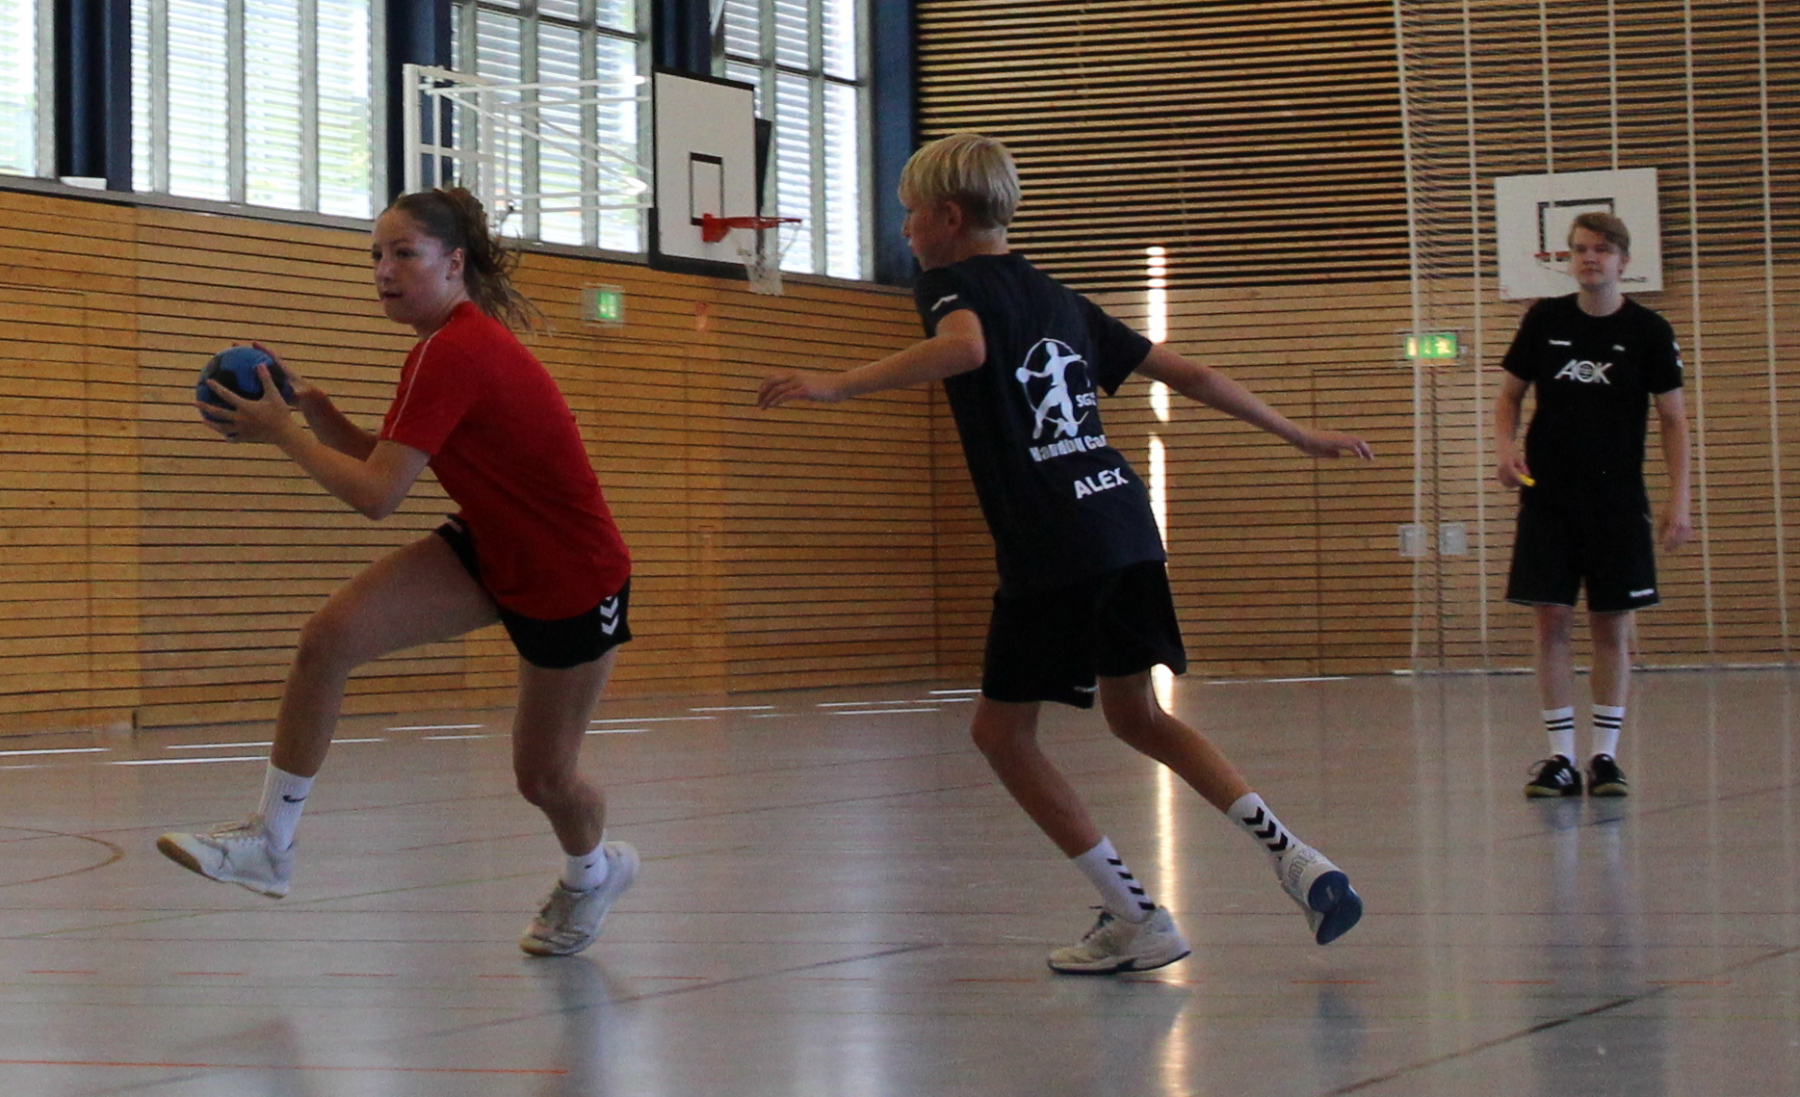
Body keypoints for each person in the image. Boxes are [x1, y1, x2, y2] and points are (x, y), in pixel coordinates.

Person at [757, 133, 1371, 974]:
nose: (905, 231)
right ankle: (1298, 859)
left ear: (948, 216)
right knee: (1139, 715)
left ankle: (1136, 914)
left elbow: (967, 347)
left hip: (1054, 537)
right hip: (1123, 519)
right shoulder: (1061, 299)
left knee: (1001, 734)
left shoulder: (949, 285)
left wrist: (837, 383)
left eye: (910, 214)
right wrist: (1296, 433)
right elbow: (1189, 373)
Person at [157, 187, 638, 957]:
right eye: (376, 255)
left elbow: (377, 496)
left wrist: (283, 434)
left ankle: (593, 873)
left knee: (544, 778)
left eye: (403, 254)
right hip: (491, 544)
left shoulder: (455, 351)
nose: (383, 270)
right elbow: (385, 463)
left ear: (454, 263)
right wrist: (311, 410)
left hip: (570, 577)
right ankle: (269, 842)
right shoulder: (438, 349)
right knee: (330, 638)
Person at [1496, 211, 1691, 799]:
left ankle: (1605, 757)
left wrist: (1680, 498)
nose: (1590, 258)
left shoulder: (1649, 330)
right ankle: (1560, 757)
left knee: (1611, 624)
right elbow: (1509, 396)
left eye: (1602, 250)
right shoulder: (1545, 319)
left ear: (1623, 261)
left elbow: (1673, 420)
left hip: (1617, 501)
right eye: (1580, 249)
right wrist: (1505, 450)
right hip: (1549, 499)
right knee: (1551, 620)